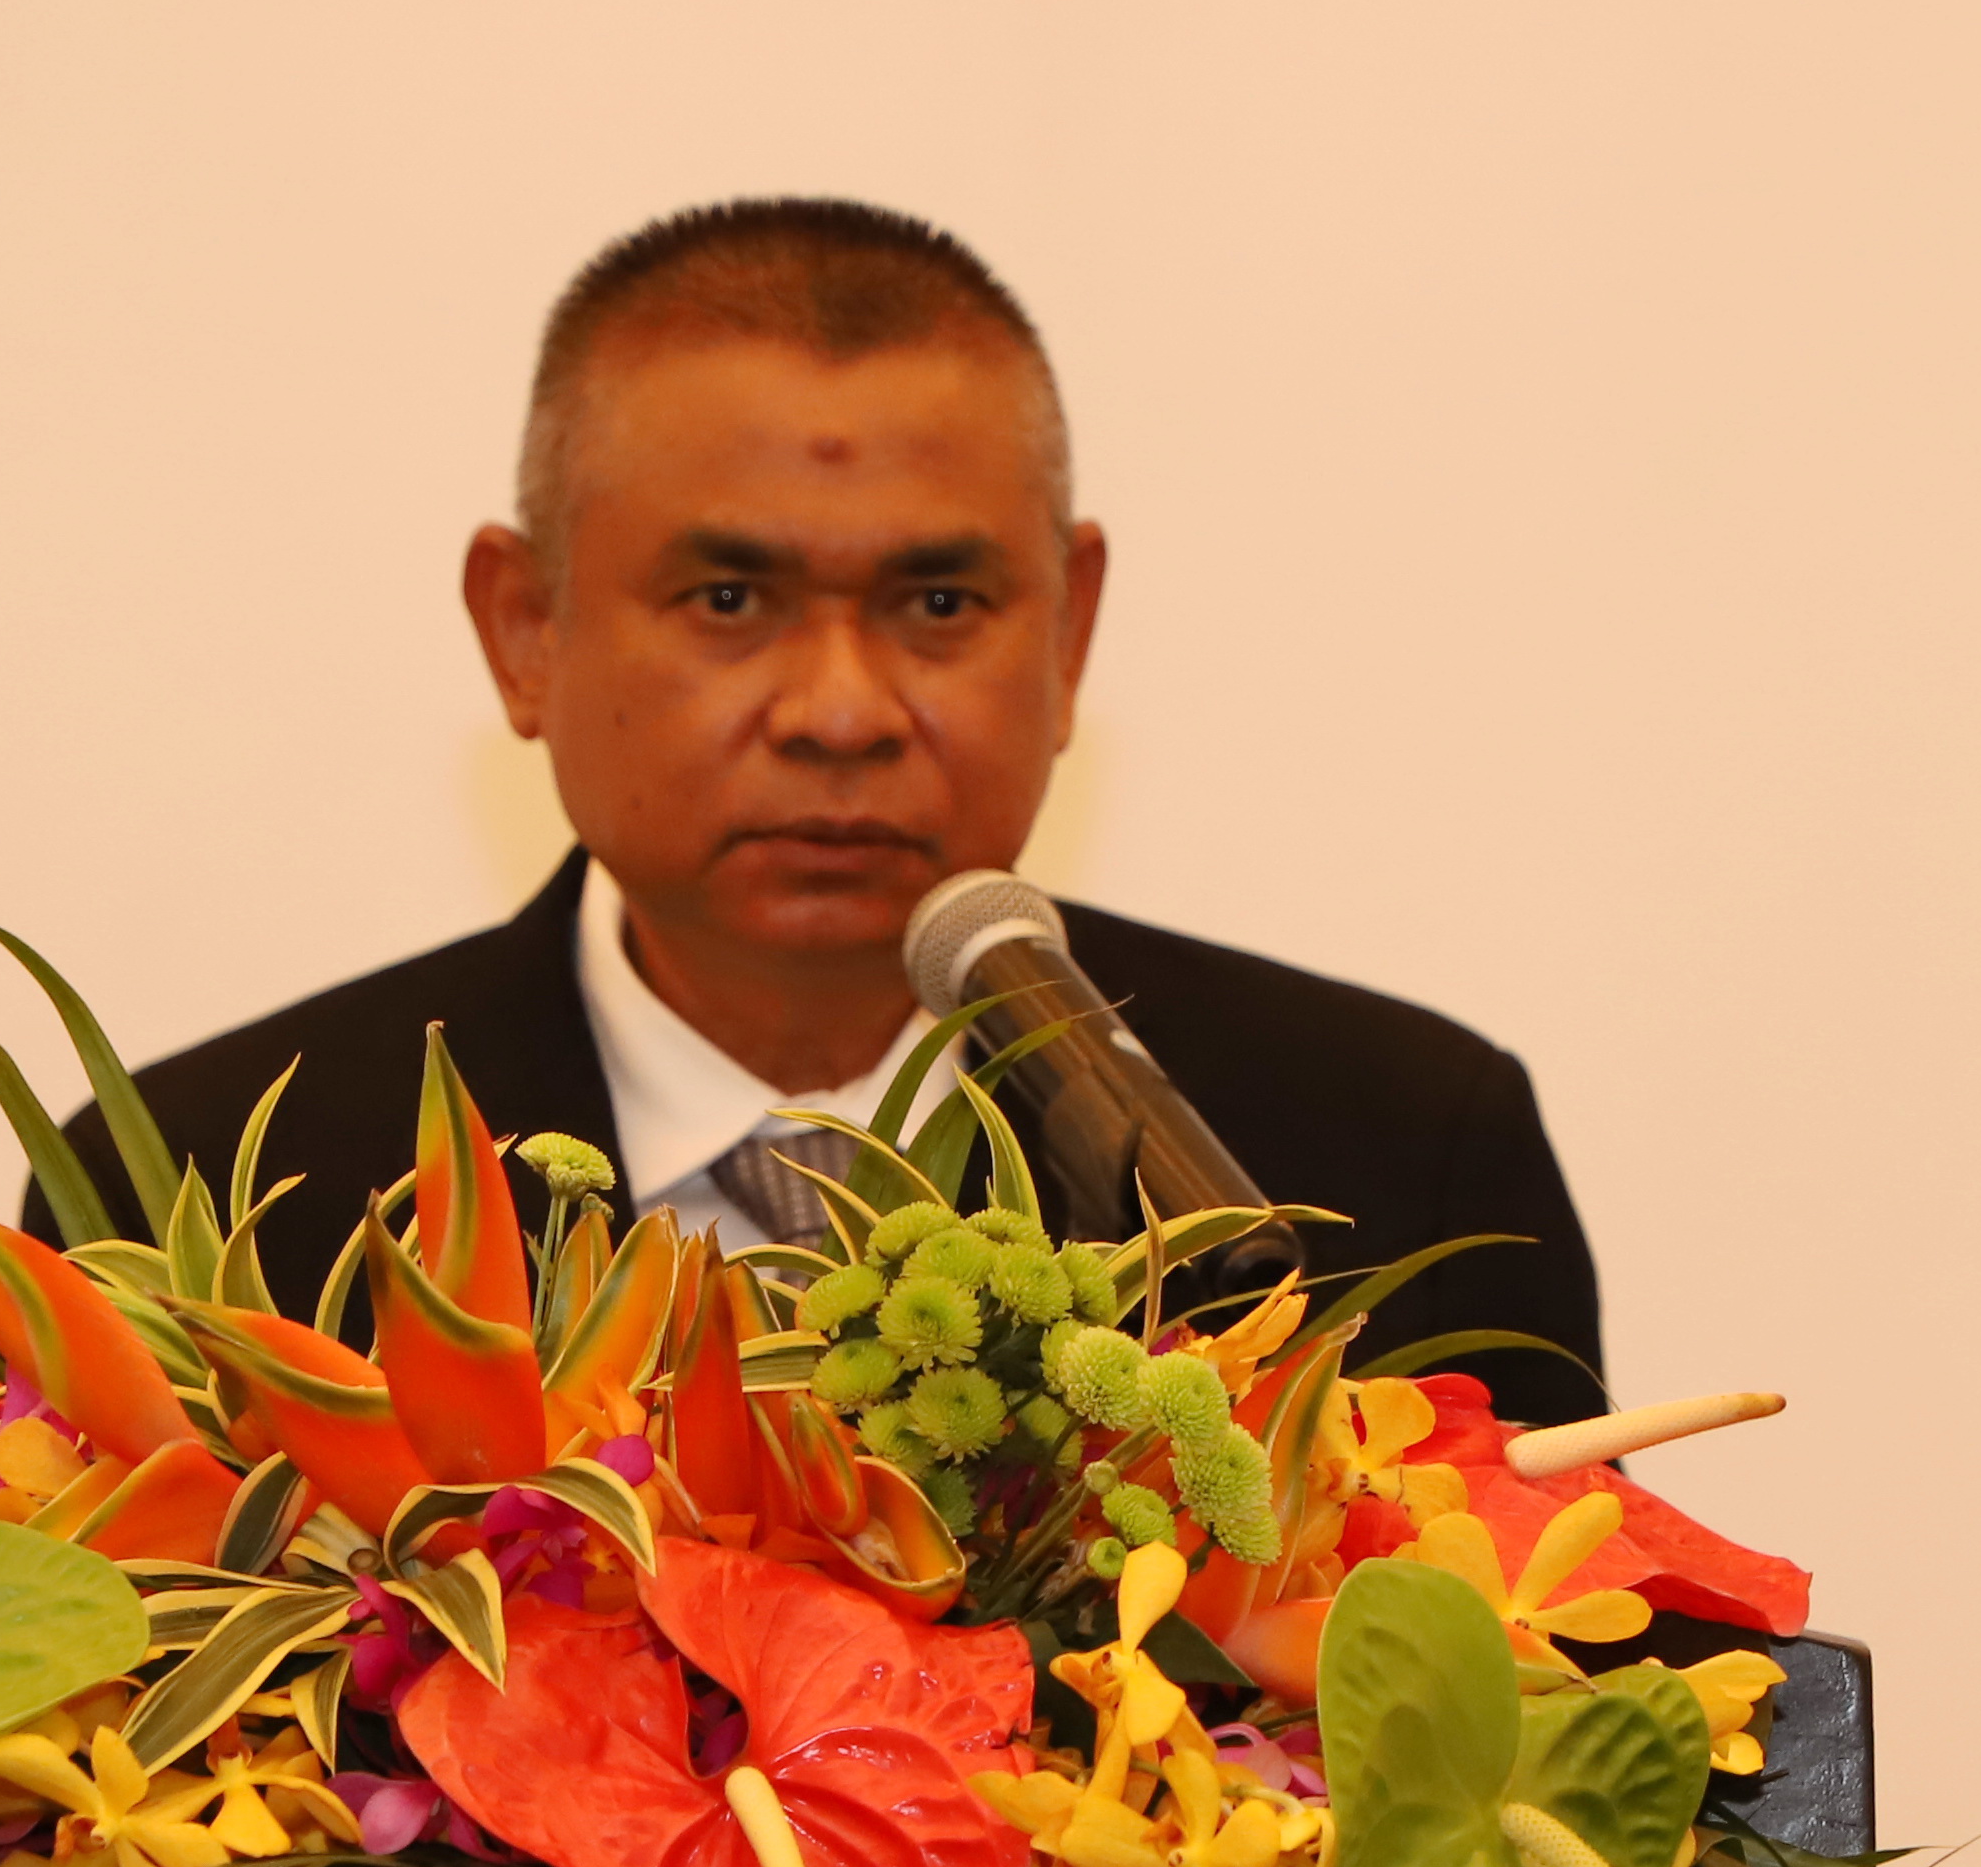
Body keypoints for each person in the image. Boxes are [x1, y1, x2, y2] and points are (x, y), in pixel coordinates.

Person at [111, 197, 1605, 1412]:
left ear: (1071, 633)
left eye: (939, 602)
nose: (840, 711)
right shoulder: (204, 1203)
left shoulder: (1387, 1161)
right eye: (728, 598)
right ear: (525, 631)